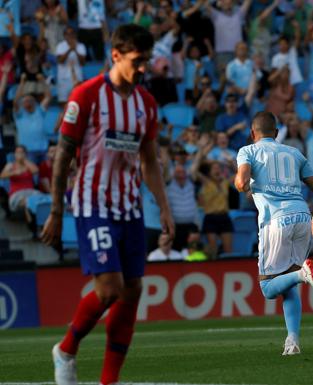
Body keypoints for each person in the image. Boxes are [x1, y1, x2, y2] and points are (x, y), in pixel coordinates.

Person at [40, 24, 175, 385]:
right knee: (110, 289)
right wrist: (56, 210)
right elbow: (63, 155)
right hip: (92, 203)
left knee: (133, 291)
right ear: (116, 55)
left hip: (129, 207)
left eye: (147, 60)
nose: (143, 67)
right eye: (137, 60)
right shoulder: (85, 96)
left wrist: (163, 207)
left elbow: (149, 159)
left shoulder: (145, 103)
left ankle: (108, 381)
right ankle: (66, 349)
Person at [235, 111, 313, 355]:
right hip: (302, 216)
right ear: (276, 134)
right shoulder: (294, 153)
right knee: (287, 285)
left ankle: (302, 274)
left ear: (252, 134)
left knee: (268, 288)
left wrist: (244, 184)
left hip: (276, 222)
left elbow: (241, 182)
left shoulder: (248, 151)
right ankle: (293, 341)